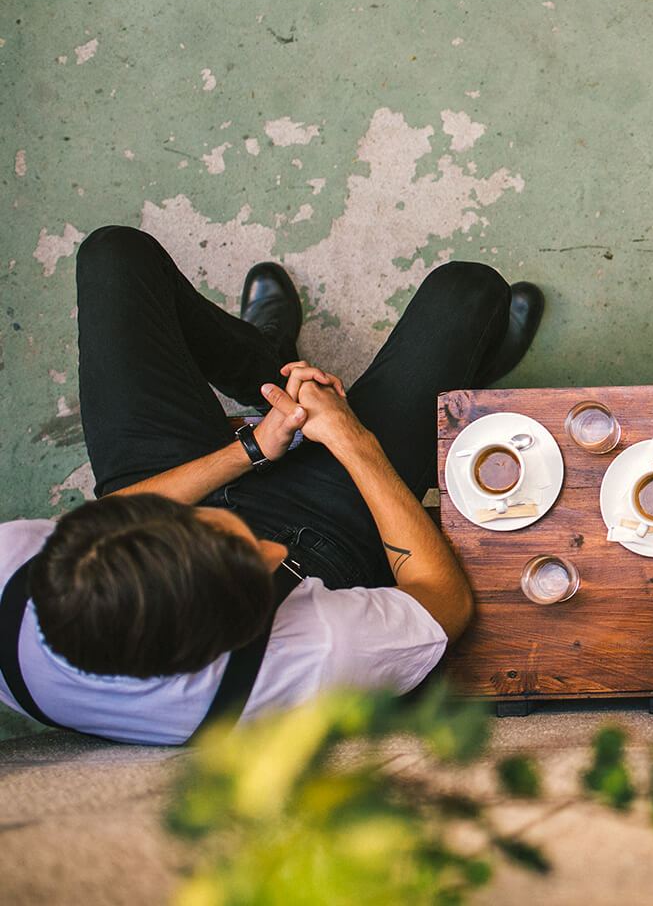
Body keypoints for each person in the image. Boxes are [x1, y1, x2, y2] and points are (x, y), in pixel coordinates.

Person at [0, 225, 544, 745]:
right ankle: (469, 368)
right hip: (326, 538)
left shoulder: (10, 580)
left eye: (224, 535)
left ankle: (267, 364)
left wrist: (253, 446)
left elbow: (107, 517)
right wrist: (349, 437)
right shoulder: (309, 658)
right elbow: (442, 605)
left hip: (171, 474)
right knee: (469, 292)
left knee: (113, 254)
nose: (271, 548)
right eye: (253, 569)